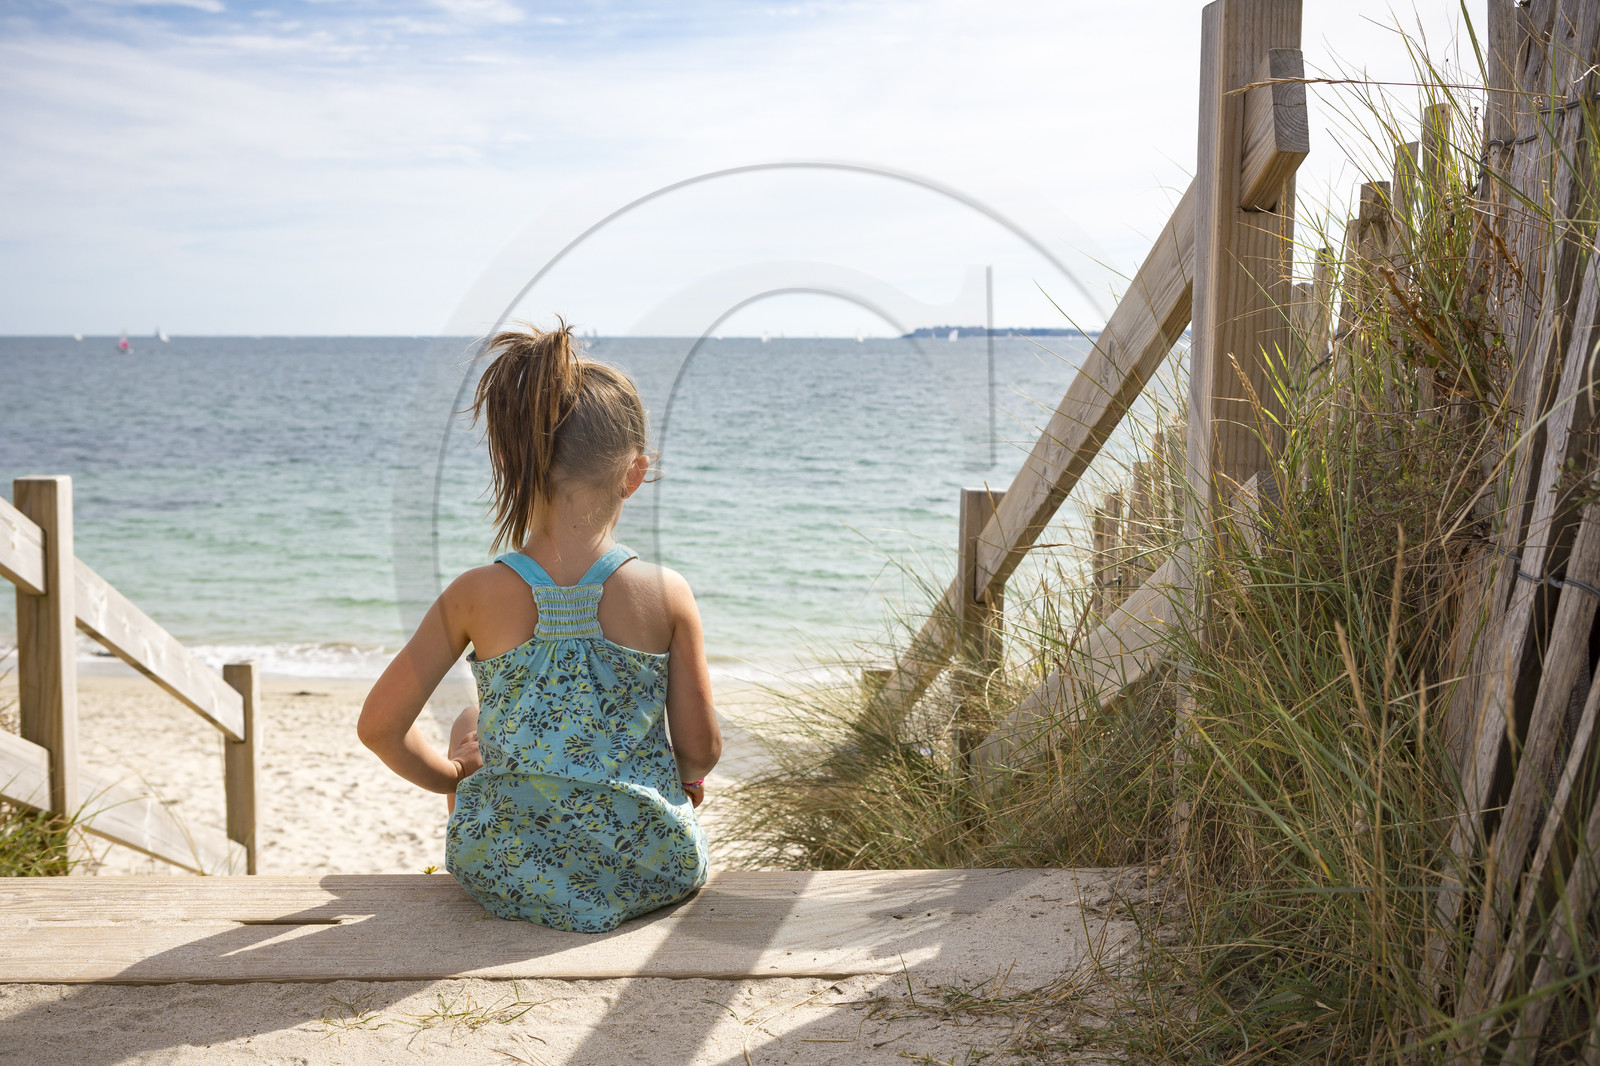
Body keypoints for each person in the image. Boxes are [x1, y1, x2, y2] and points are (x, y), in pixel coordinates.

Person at [357, 320, 720, 933]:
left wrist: (454, 775)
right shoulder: (667, 594)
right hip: (652, 863)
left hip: (503, 866)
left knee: (470, 722)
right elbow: (701, 750)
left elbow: (379, 728)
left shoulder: (474, 595)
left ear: (515, 462)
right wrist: (681, 775)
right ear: (634, 472)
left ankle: (497, 813)